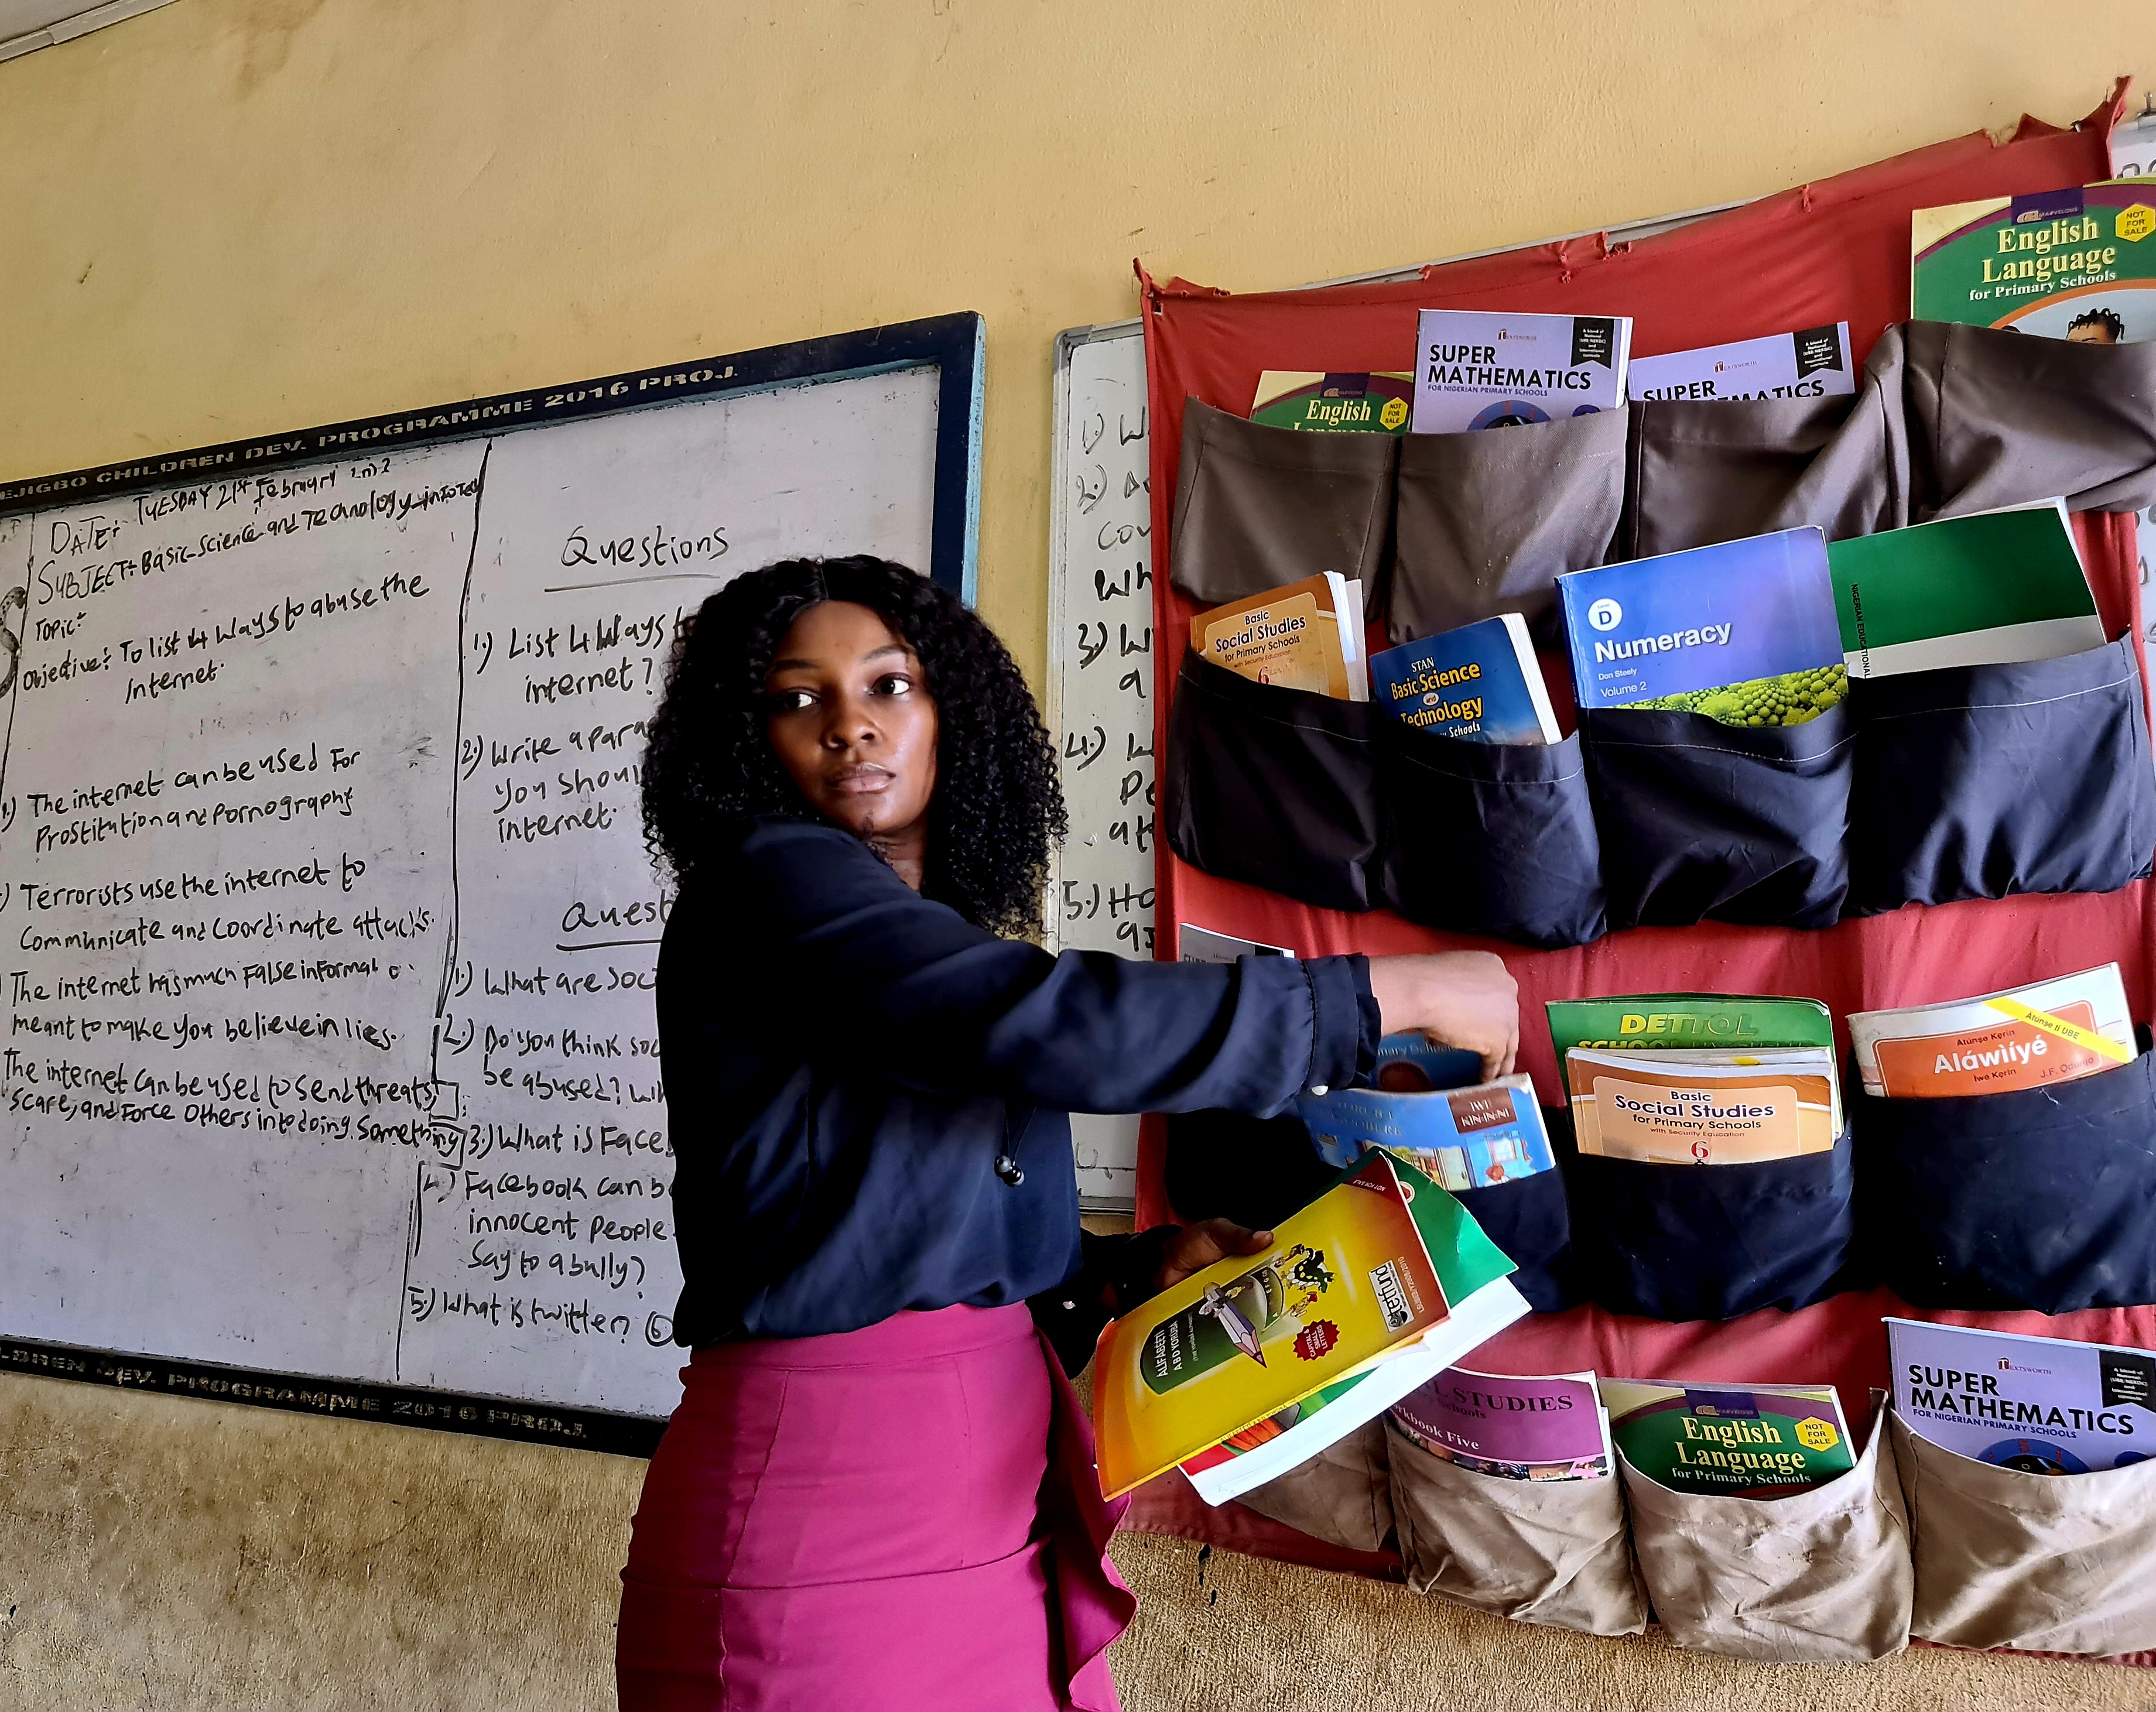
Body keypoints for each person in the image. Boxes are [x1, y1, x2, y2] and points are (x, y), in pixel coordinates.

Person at [617, 554, 1522, 1711]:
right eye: (800, 699)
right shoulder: (767, 883)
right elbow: (1052, 1030)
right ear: (749, 745)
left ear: (956, 713)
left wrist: (1118, 1269)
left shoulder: (921, 939)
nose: (850, 726)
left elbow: (896, 1213)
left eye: (888, 686)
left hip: (987, 1499)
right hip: (825, 1517)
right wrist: (1378, 1000)